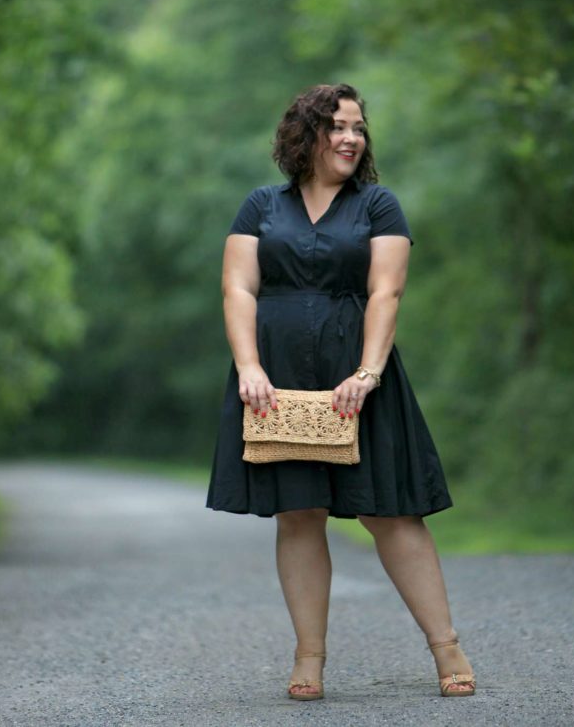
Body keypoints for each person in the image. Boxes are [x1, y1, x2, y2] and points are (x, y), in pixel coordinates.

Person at [206, 83, 476, 701]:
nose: (352, 137)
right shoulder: (259, 207)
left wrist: (367, 372)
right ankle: (309, 659)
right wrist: (249, 366)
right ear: (306, 136)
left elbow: (386, 292)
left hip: (358, 377)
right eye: (339, 126)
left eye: (358, 127)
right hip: (275, 377)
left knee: (391, 513)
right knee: (299, 513)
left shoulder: (379, 206)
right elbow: (238, 289)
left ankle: (446, 647)